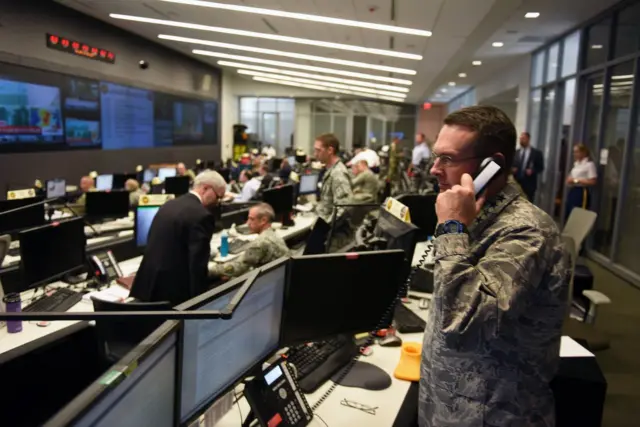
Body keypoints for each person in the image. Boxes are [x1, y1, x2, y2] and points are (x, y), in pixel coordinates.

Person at [420, 105, 569, 427]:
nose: (434, 169)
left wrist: (451, 228)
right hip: (448, 407)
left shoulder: (527, 230)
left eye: (447, 158)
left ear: (492, 165)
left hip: (494, 415)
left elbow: (464, 316)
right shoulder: (478, 214)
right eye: (436, 156)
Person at [130, 170, 227, 306]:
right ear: (206, 188)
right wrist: (199, 304)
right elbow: (197, 265)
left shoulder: (168, 205)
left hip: (148, 286)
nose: (217, 202)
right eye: (218, 197)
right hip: (173, 295)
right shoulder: (202, 215)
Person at [210, 203, 288, 278]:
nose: (247, 223)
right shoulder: (272, 234)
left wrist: (212, 270)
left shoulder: (261, 242)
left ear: (263, 220)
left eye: (251, 219)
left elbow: (238, 267)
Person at [314, 133, 353, 252]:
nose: (315, 154)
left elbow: (344, 207)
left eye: (318, 150)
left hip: (335, 237)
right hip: (330, 233)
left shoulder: (338, 174)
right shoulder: (331, 170)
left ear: (330, 150)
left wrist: (324, 228)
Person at [565, 143, 597, 220]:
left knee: (579, 213)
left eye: (577, 152)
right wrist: (569, 180)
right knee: (570, 211)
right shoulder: (576, 164)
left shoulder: (589, 165)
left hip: (582, 191)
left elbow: (593, 181)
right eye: (574, 152)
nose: (575, 154)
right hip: (573, 190)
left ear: (583, 152)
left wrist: (576, 180)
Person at [513, 131, 544, 202]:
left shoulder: (536, 153)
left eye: (523, 139)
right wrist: (513, 170)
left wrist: (532, 171)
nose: (521, 140)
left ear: (528, 139)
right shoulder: (516, 152)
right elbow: (512, 165)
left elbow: (540, 167)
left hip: (529, 185)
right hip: (516, 183)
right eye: (520, 139)